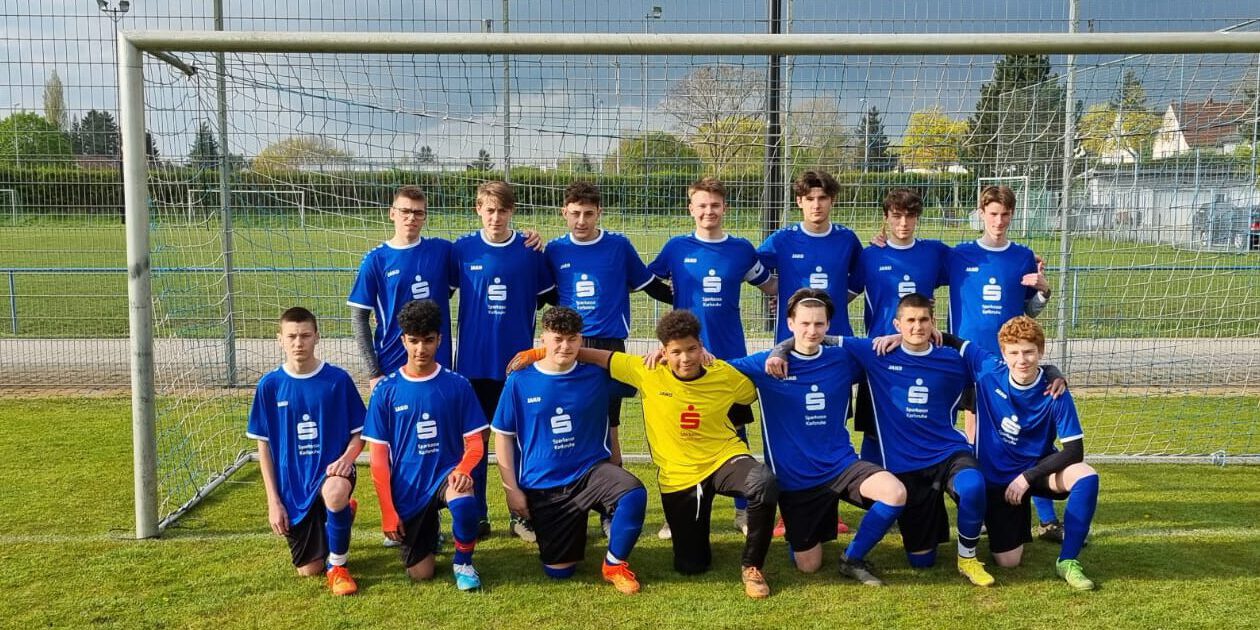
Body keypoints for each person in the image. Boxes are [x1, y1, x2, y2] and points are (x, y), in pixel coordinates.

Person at [509, 309, 780, 599]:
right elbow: (597, 356)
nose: (685, 358)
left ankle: (752, 567)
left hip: (724, 458)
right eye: (676, 352)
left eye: (692, 349)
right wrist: (538, 353)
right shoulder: (645, 370)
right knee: (691, 565)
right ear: (663, 352)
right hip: (681, 477)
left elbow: (748, 394)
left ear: (701, 346)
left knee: (762, 481)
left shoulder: (722, 372)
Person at [768, 293, 993, 587]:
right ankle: (834, 548)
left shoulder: (953, 359)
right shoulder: (876, 352)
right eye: (910, 321)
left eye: (923, 320)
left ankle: (968, 558)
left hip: (948, 452)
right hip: (908, 467)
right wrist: (778, 351)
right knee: (922, 561)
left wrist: (1048, 373)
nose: (917, 326)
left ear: (933, 322)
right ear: (897, 324)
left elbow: (1000, 367)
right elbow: (815, 337)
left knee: (973, 485)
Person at [726, 289, 906, 586]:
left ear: (828, 325)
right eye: (805, 323)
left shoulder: (843, 359)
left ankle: (852, 558)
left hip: (840, 466)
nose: (812, 330)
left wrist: (902, 336)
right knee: (809, 566)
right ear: (790, 323)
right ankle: (801, 534)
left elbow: (890, 346)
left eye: (819, 324)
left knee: (895, 492)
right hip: (796, 481)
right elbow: (715, 369)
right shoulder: (765, 365)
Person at [648, 176, 776, 537]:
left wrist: (784, 298)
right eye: (702, 205)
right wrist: (672, 319)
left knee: (736, 430)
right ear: (691, 208)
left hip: (728, 357)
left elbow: (770, 284)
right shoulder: (675, 248)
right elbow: (646, 281)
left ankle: (743, 511)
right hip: (682, 360)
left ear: (725, 208)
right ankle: (677, 512)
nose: (709, 211)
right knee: (682, 434)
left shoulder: (741, 249)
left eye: (715, 205)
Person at [492, 307, 648, 594]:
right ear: (543, 338)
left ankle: (614, 565)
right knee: (559, 572)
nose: (565, 346)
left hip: (591, 472)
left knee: (633, 492)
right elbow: (503, 436)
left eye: (572, 339)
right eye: (558, 339)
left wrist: (577, 353)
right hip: (545, 484)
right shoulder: (520, 380)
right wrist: (511, 490)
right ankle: (570, 528)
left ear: (581, 340)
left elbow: (641, 371)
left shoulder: (597, 376)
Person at [950, 316, 1099, 590]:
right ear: (1003, 353)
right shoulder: (987, 370)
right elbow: (949, 340)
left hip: (1034, 472)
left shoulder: (1055, 391)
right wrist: (898, 337)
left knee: (1086, 476)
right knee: (1008, 562)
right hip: (997, 481)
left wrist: (1027, 478)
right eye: (1014, 353)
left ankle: (1068, 561)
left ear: (1040, 351)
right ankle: (993, 519)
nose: (1022, 360)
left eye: (1029, 352)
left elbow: (1074, 450)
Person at [947, 185, 1059, 540]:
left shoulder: (1022, 256)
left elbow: (1030, 310)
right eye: (993, 214)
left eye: (1005, 215)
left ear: (1012, 215)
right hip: (969, 362)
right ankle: (978, 508)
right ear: (981, 214)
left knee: (1023, 434)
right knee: (974, 436)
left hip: (1011, 363)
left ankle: (1047, 518)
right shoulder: (958, 255)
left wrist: (1044, 291)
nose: (998, 221)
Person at [757, 169, 863, 537]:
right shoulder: (782, 239)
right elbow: (751, 265)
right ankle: (787, 511)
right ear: (799, 202)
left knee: (831, 430)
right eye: (809, 199)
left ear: (831, 201)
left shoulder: (847, 239)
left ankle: (829, 509)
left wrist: (831, 311)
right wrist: (774, 290)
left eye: (823, 198)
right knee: (791, 430)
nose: (817, 205)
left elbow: (860, 279)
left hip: (835, 352)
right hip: (791, 350)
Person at [452, 180, 556, 539]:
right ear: (478, 210)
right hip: (472, 366)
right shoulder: (462, 249)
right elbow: (436, 290)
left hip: (517, 366)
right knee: (475, 442)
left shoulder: (530, 251)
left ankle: (523, 515)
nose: (495, 217)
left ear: (512, 212)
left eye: (502, 210)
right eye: (489, 210)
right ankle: (477, 514)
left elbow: (549, 298)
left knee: (522, 441)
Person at [363, 299, 489, 591]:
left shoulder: (457, 385)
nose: (421, 349)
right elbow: (378, 458)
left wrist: (464, 469)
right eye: (414, 341)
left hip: (447, 475)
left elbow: (475, 441)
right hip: (409, 486)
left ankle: (463, 563)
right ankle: (429, 531)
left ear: (439, 340)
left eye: (428, 340)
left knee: (464, 499)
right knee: (421, 573)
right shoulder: (386, 390)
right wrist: (388, 511)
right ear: (403, 340)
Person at [246, 307, 366, 596]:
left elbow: (360, 432)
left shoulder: (337, 380)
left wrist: (347, 459)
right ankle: (341, 515)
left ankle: (338, 567)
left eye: (305, 335)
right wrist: (273, 502)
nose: (298, 343)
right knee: (309, 570)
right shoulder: (270, 386)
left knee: (335, 490)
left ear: (317, 337)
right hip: (294, 487)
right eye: (292, 336)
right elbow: (264, 446)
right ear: (280, 339)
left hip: (330, 475)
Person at [850, 188, 952, 463]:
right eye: (896, 216)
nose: (903, 223)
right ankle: (872, 486)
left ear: (918, 217)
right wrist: (785, 298)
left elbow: (973, 265)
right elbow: (843, 292)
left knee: (919, 425)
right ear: (886, 217)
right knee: (873, 431)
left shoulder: (934, 252)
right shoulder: (870, 256)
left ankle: (919, 482)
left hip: (921, 355)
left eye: (910, 216)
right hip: (880, 354)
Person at [348, 186, 456, 391]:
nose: (411, 218)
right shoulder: (376, 260)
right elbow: (359, 317)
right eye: (405, 211)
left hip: (438, 362)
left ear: (424, 217)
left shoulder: (442, 251)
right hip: (392, 364)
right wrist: (373, 372)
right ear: (392, 213)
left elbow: (449, 289)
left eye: (418, 212)